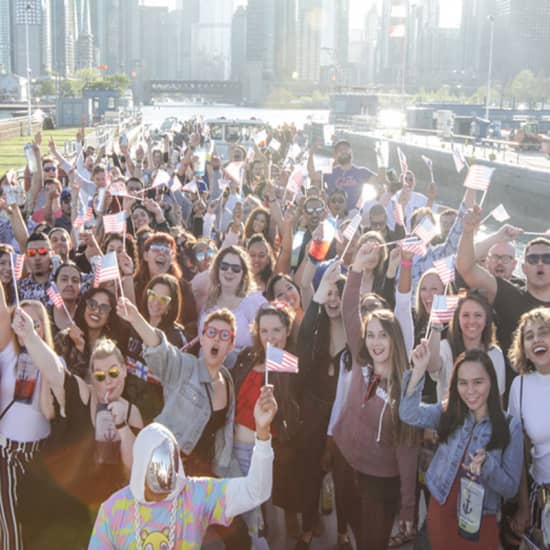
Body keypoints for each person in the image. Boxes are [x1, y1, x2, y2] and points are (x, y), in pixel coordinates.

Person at [88, 387, 277, 549]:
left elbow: (256, 491)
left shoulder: (195, 495)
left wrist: (262, 432)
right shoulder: (113, 510)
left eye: (168, 464)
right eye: (157, 466)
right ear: (141, 467)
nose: (164, 475)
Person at [332, 246, 420, 550]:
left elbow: (408, 450)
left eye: (383, 335)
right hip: (344, 462)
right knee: (357, 531)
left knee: (373, 542)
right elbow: (349, 310)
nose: (376, 342)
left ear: (394, 339)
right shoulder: (361, 358)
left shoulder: (405, 388)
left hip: (380, 481)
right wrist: (356, 268)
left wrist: (408, 506)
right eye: (371, 335)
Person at [400, 345, 523, 550]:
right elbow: (409, 414)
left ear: (491, 382)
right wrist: (419, 370)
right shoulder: (449, 410)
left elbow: (510, 490)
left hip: (479, 523)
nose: (470, 391)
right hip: (439, 513)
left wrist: (488, 467)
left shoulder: (511, 426)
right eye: (463, 383)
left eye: (478, 382)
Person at [0, 285, 64, 550]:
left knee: (36, 522)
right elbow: (2, 311)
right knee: (10, 524)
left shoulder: (54, 360)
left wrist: (39, 361)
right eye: (21, 321)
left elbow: (49, 412)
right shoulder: (7, 354)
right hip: (7, 454)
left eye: (34, 323)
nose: (26, 327)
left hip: (40, 456)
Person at [232, 302, 301, 539]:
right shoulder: (246, 358)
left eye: (276, 330)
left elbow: (294, 416)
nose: (269, 337)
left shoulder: (291, 366)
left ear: (287, 331)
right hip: (238, 449)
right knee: (246, 516)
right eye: (264, 331)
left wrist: (278, 397)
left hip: (271, 451)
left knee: (272, 513)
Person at [456, 206, 550, 357]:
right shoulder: (510, 295)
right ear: (524, 268)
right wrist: (471, 232)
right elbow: (465, 267)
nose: (540, 263)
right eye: (533, 259)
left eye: (547, 258)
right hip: (513, 379)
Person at [507, 308, 550, 545]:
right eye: (529, 336)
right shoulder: (520, 386)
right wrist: (523, 506)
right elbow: (519, 453)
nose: (537, 340)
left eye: (544, 332)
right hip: (544, 499)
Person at [427, 290, 506, 401]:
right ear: (457, 319)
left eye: (478, 315)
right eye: (465, 315)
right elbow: (431, 366)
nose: (472, 321)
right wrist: (435, 326)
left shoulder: (495, 353)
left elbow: (498, 399)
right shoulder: (446, 348)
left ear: (486, 319)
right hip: (451, 417)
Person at [200, 245, 266, 368]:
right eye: (224, 266)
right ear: (217, 269)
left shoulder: (254, 302)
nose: (229, 271)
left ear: (244, 274)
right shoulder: (208, 302)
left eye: (236, 268)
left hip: (241, 374)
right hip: (206, 372)